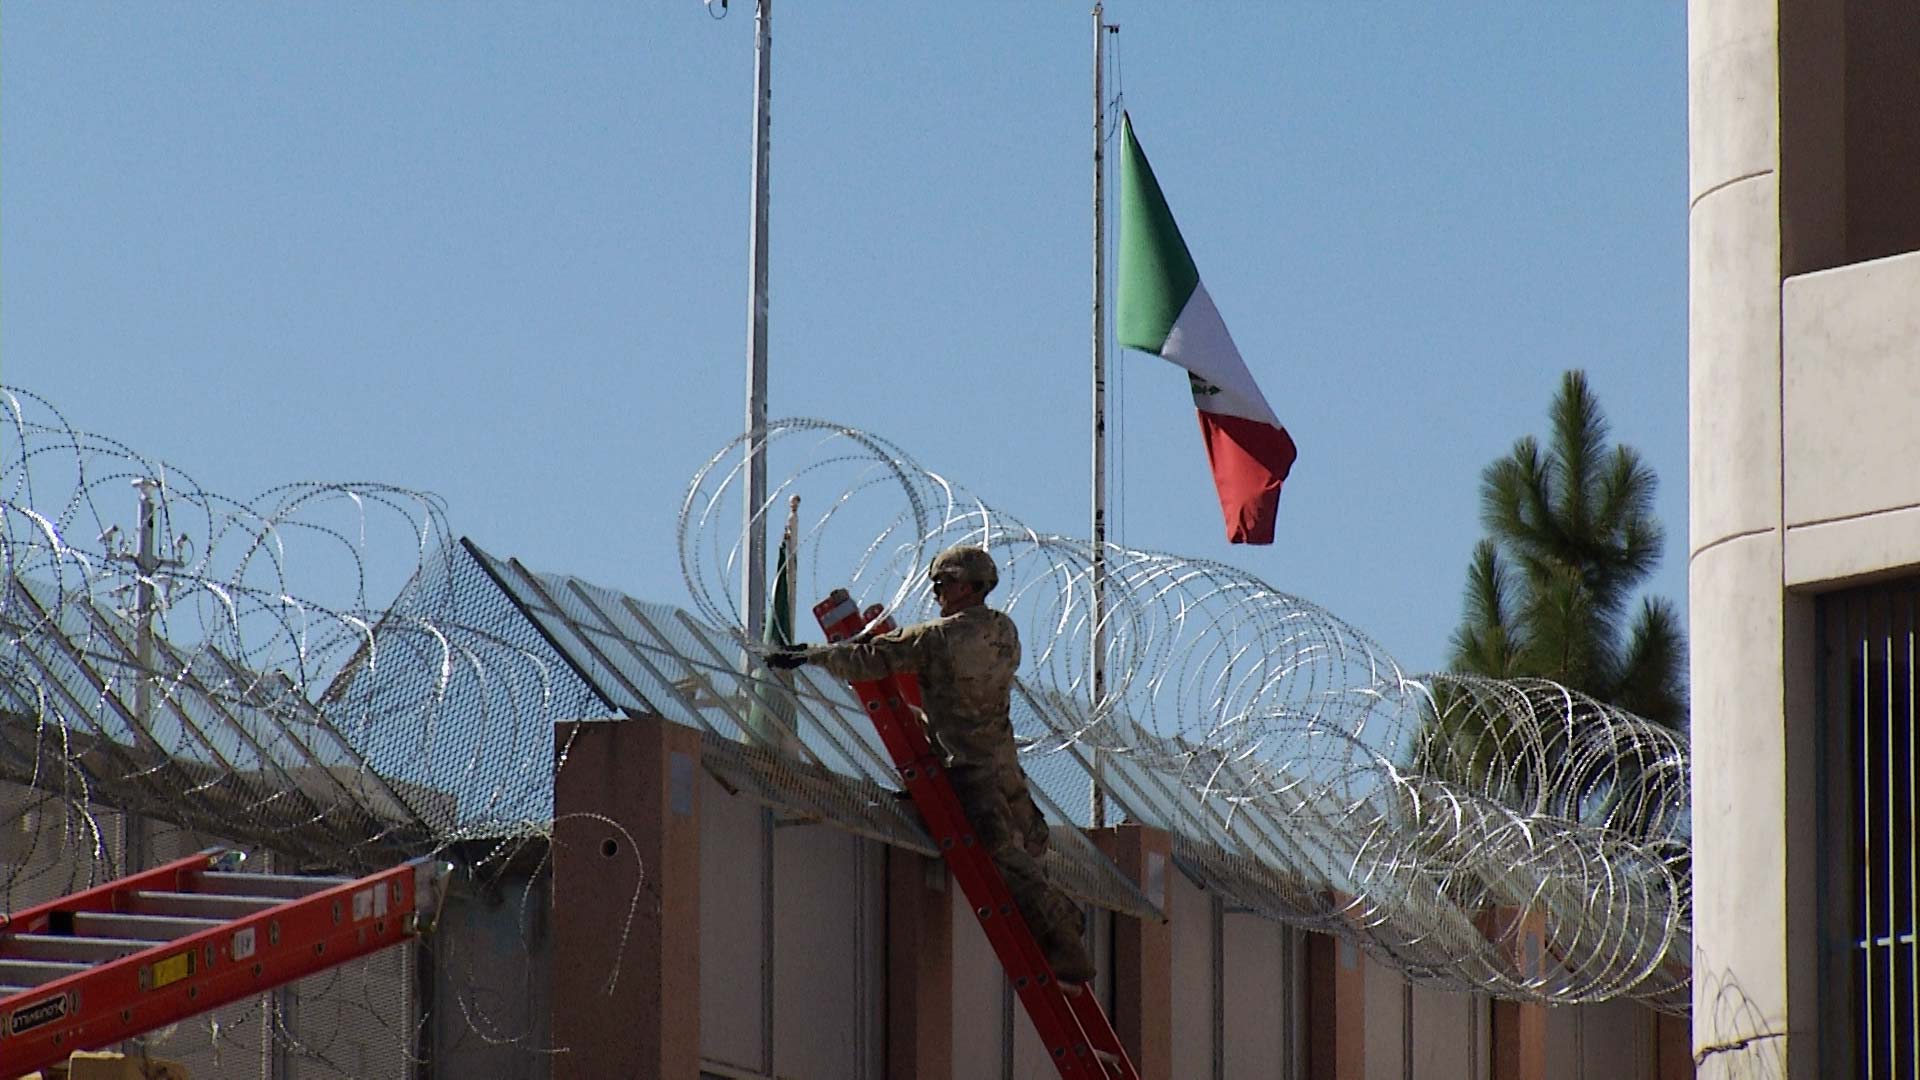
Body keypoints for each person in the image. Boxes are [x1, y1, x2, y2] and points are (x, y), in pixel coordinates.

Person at [769, 544, 1096, 985]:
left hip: (968, 767)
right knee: (1030, 846)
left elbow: (868, 661)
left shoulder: (937, 638)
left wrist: (809, 655)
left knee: (1001, 856)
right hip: (1005, 763)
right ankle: (1064, 921)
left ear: (964, 586)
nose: (936, 592)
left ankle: (1064, 933)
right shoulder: (1006, 632)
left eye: (942, 583)